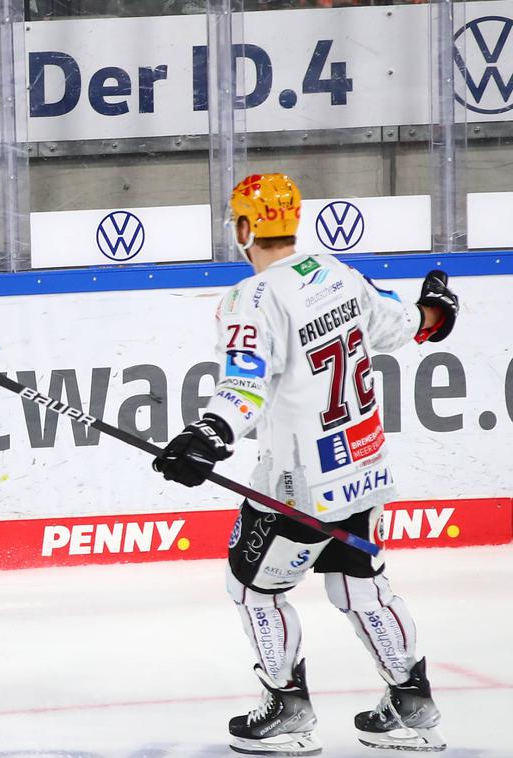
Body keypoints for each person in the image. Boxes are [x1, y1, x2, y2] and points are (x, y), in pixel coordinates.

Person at [151, 174, 457, 754]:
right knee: (359, 583)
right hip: (364, 468)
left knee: (252, 589)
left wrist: (208, 434)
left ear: (244, 227)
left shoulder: (252, 299)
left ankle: (287, 708)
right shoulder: (337, 272)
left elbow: (245, 383)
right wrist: (434, 314)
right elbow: (401, 323)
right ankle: (413, 705)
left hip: (299, 486)